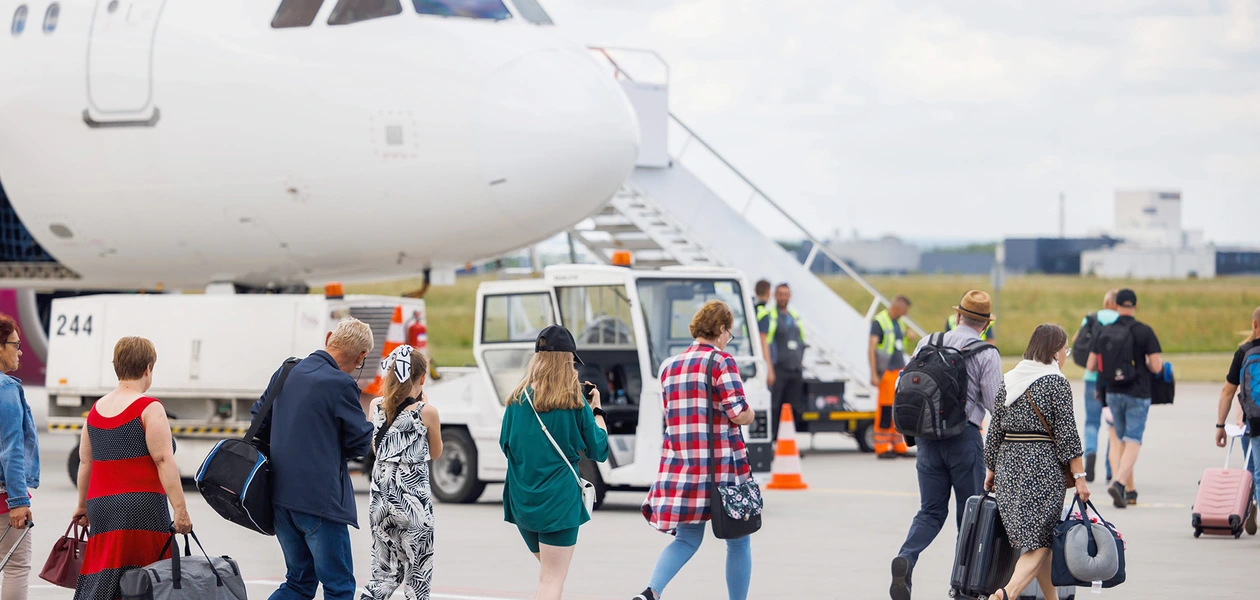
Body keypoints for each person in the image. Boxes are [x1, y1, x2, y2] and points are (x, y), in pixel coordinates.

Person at [636, 301, 757, 600]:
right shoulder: (721, 361)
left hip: (684, 466)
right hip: (722, 468)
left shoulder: (670, 366)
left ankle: (651, 592)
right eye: (729, 330)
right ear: (719, 329)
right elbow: (737, 411)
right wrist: (751, 414)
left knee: (687, 540)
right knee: (739, 542)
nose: (729, 336)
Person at [252, 318, 376, 600]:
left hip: (280, 496)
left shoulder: (287, 370)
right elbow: (358, 444)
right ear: (360, 357)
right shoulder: (341, 384)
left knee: (298, 582)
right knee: (338, 586)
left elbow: (259, 421)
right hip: (320, 501)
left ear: (330, 337)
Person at [890, 290, 1001, 600]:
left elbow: (905, 381)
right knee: (971, 518)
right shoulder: (986, 352)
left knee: (930, 511)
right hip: (963, 440)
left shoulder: (928, 342)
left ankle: (906, 559)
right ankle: (963, 587)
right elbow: (996, 405)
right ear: (984, 324)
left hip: (926, 439)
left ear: (958, 316)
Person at [72, 337, 192, 600]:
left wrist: (82, 506)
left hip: (101, 506)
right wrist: (180, 509)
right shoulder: (149, 408)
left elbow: (86, 462)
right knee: (148, 577)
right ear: (148, 368)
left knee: (105, 573)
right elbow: (163, 460)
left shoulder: (95, 411)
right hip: (142, 505)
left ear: (117, 366)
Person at [499, 325, 608, 600]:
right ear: (567, 362)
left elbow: (506, 445)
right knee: (551, 580)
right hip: (557, 502)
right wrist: (597, 410)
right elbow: (600, 449)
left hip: (522, 500)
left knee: (547, 575)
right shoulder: (574, 402)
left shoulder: (516, 399)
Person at [984, 324, 1089, 600]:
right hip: (1041, 469)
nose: (1065, 356)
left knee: (1037, 539)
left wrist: (991, 469)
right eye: (1065, 350)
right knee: (1040, 540)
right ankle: (1006, 594)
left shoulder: (1010, 379)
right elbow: (1068, 435)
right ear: (1055, 351)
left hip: (1008, 466)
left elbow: (995, 430)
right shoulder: (1056, 382)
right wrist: (1080, 478)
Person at [362, 345, 443, 600]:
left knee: (383, 576)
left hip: (381, 502)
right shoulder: (427, 412)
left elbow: (377, 448)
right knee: (416, 580)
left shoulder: (376, 406)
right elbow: (436, 452)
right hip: (412, 503)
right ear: (422, 377)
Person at [1086, 288, 1162, 509]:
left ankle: (1130, 491)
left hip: (1112, 393)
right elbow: (1156, 366)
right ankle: (1119, 483)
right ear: (1135, 306)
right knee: (1134, 440)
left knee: (1121, 440)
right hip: (1138, 392)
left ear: (1116, 305)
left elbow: (1091, 365)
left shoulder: (1105, 331)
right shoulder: (1144, 331)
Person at [1213, 305, 1260, 534]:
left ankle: (1251, 500)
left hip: (1252, 420)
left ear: (1254, 324)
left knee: (1254, 471)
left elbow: (1228, 392)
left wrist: (1221, 425)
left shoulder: (1244, 351)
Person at [0, 315, 37, 600]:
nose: (20, 351)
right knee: (15, 566)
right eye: (16, 344)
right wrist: (19, 502)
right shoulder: (6, 389)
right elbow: (10, 449)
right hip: (3, 499)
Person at [1076, 289, 1119, 482]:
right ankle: (1111, 467)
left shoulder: (1092, 318)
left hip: (1091, 377)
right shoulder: (1122, 321)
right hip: (1114, 379)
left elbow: (1077, 340)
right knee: (1114, 425)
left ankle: (1091, 453)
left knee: (1091, 422)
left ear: (1107, 302)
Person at [758, 283, 805, 441]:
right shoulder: (769, 315)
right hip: (779, 369)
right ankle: (772, 441)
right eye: (780, 294)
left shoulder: (794, 316)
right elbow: (764, 341)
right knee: (775, 407)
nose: (783, 297)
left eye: (786, 294)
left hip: (795, 369)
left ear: (790, 296)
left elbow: (801, 340)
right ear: (775, 296)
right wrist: (769, 369)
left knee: (793, 408)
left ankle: (787, 441)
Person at [870, 295, 913, 458]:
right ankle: (881, 447)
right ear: (898, 306)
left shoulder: (898, 323)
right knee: (886, 410)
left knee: (898, 410)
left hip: (898, 371)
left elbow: (898, 347)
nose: (905, 314)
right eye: (904, 311)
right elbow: (871, 348)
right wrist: (874, 373)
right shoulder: (879, 322)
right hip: (886, 372)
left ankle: (898, 445)